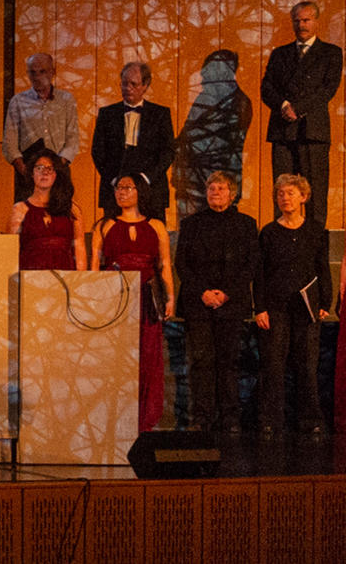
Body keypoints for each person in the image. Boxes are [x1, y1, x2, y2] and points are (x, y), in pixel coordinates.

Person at [95, 173, 176, 432]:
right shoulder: (104, 225)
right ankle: (114, 416)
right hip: (114, 297)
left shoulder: (156, 226)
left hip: (146, 298)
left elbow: (164, 266)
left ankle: (144, 420)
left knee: (147, 356)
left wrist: (170, 298)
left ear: (140, 191)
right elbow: (94, 267)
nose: (122, 192)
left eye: (128, 188)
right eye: (118, 188)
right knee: (115, 357)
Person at [176, 170, 255, 435]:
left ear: (232, 195)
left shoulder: (246, 224)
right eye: (211, 189)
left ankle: (230, 418)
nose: (215, 193)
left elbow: (250, 266)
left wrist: (226, 293)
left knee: (229, 361)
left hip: (231, 304)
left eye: (221, 189)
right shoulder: (191, 224)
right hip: (199, 303)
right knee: (201, 361)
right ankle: (202, 418)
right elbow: (182, 265)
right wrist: (203, 292)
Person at [256, 172, 331, 439]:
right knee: (273, 365)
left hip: (306, 307)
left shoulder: (316, 230)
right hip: (275, 307)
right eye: (280, 193)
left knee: (307, 365)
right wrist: (260, 308)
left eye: (290, 193)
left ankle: (310, 420)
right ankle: (270, 420)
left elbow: (322, 268)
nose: (284, 198)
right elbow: (261, 273)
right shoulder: (269, 232)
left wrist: (325, 301)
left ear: (303, 197)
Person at [261, 1, 342, 229]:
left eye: (306, 20)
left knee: (315, 195)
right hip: (283, 131)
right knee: (283, 192)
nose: (301, 25)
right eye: (297, 21)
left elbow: (328, 89)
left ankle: (316, 251)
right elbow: (266, 88)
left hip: (313, 131)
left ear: (316, 22)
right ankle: (281, 243)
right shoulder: (280, 54)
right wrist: (284, 105)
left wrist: (298, 108)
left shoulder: (331, 53)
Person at [92, 62, 175, 221]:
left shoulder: (160, 114)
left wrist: (146, 178)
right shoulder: (106, 114)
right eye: (124, 83)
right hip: (114, 190)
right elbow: (98, 152)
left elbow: (168, 151)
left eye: (134, 84)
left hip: (152, 190)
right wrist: (115, 180)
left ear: (145, 85)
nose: (128, 88)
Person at [4, 53, 79, 202]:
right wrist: (26, 172)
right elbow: (9, 143)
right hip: (27, 173)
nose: (37, 76)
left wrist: (55, 169)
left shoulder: (66, 100)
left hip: (59, 172)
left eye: (42, 71)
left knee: (60, 219)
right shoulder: (18, 101)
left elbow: (73, 140)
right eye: (32, 72)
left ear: (52, 72)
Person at [8, 150, 84, 270]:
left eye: (50, 168)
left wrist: (81, 279)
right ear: (32, 173)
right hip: (30, 276)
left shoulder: (71, 208)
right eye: (39, 168)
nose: (44, 172)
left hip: (65, 275)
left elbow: (79, 246)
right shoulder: (20, 209)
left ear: (56, 174)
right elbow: (11, 251)